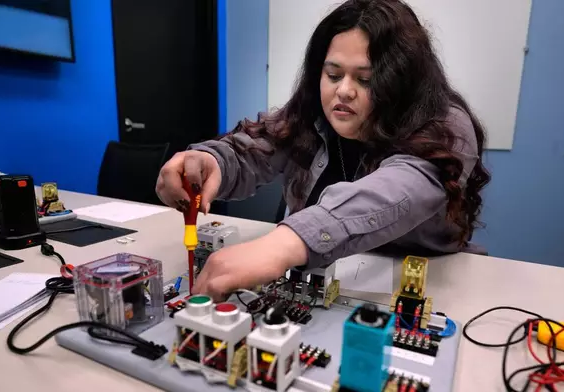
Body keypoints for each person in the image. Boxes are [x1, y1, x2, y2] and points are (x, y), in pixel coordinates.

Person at [156, 0, 490, 301]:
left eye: (366, 79)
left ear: (402, 82)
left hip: (424, 291)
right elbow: (253, 149)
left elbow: (400, 190)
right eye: (333, 74)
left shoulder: (447, 125)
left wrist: (283, 245)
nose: (343, 90)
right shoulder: (310, 114)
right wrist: (211, 160)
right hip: (323, 286)